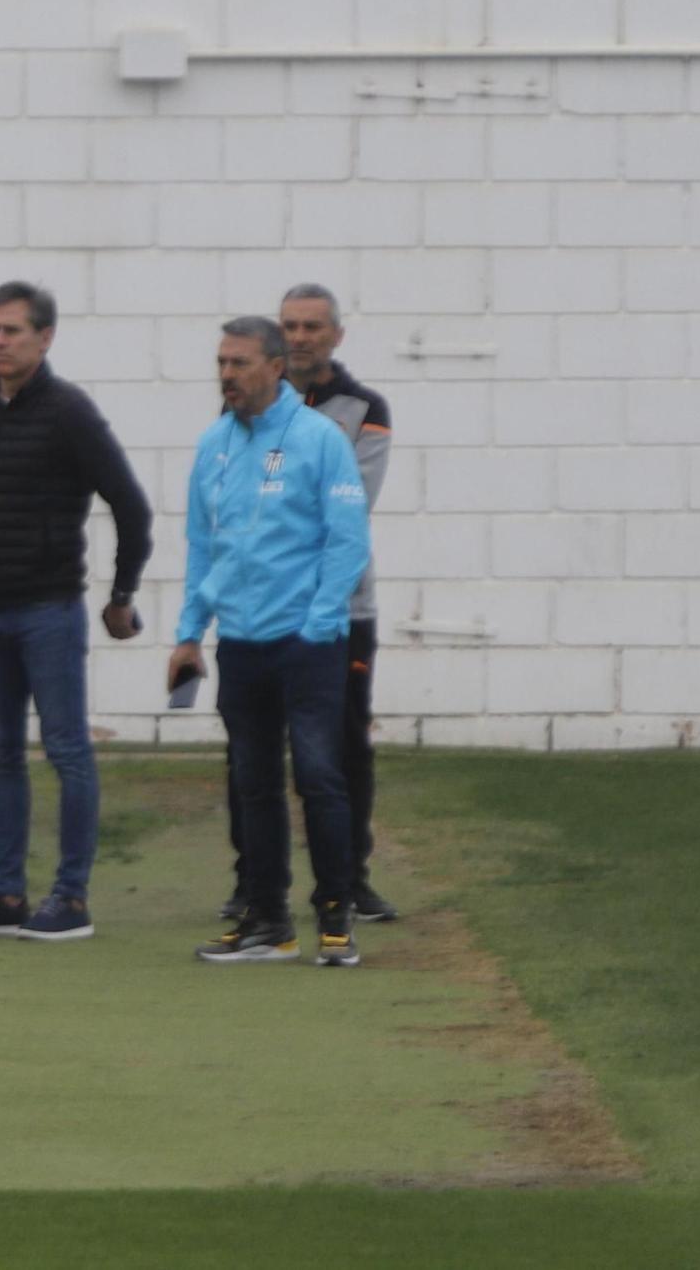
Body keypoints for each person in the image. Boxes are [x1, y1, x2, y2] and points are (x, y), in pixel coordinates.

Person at [0, 281, 152, 942]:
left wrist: (121, 595)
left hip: (49, 610)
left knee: (66, 749)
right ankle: (5, 894)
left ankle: (71, 897)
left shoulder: (69, 412)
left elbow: (130, 504)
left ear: (45, 337)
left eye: (13, 331)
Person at [171, 316, 368, 966]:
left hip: (307, 642)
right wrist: (188, 633)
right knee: (251, 779)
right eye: (221, 363)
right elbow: (205, 546)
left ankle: (335, 914)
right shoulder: (213, 445)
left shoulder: (319, 439)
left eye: (240, 363)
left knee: (317, 774)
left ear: (275, 366)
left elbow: (347, 541)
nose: (226, 375)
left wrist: (316, 624)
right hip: (242, 644)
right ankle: (267, 919)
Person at [219, 285, 398, 922]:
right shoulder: (244, 405)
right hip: (257, 612)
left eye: (312, 327)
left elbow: (345, 506)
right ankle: (253, 884)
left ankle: (349, 880)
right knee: (251, 753)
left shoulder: (363, 408)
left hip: (339, 613)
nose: (299, 337)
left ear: (336, 336)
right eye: (289, 326)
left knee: (341, 747)